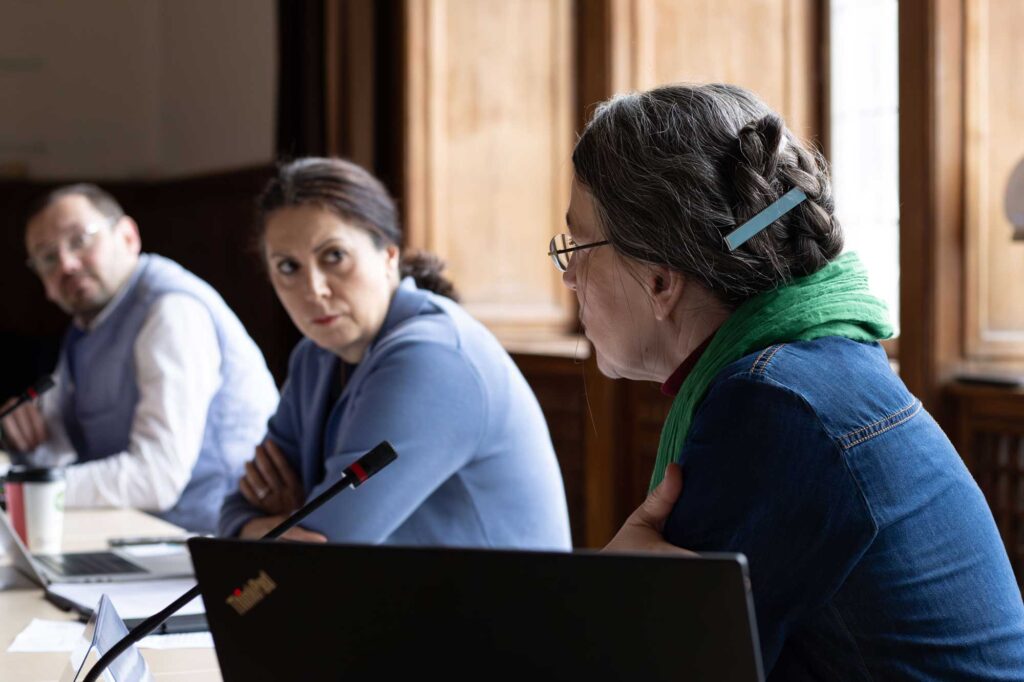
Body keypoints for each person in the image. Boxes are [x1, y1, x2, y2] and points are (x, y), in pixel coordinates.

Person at [555, 84, 1024, 678]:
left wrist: (621, 591)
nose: (568, 276)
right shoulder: (814, 368)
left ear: (659, 281)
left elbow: (646, 661)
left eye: (579, 245)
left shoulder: (773, 405)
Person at [218, 157, 572, 550]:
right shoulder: (314, 357)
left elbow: (328, 545)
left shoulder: (433, 357)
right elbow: (236, 507)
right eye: (288, 267)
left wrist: (276, 522)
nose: (313, 289)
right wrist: (256, 528)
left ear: (388, 255)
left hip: (500, 610)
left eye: (334, 256)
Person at [0, 184, 279, 534]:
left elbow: (156, 477)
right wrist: (23, 436)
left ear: (128, 237)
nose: (67, 264)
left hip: (209, 544)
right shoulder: (85, 329)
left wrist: (17, 487)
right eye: (47, 258)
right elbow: (56, 451)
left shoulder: (171, 311)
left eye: (80, 240)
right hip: (139, 537)